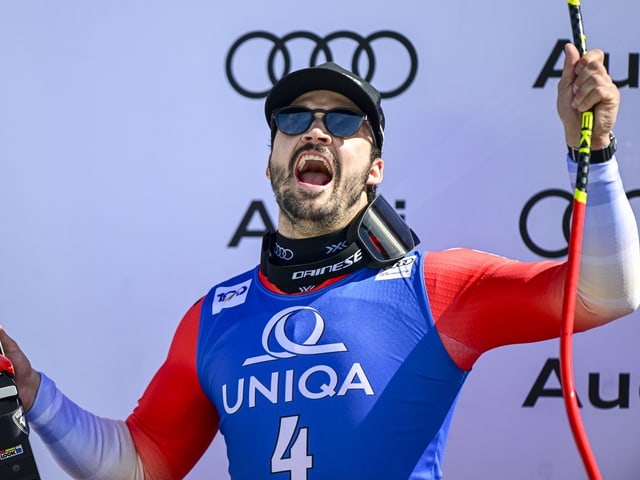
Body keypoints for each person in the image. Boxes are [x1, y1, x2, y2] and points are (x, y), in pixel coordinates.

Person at [1, 42, 638, 480]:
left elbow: (606, 292)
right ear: (272, 156)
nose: (315, 130)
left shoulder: (435, 287)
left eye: (343, 122)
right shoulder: (214, 316)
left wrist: (597, 146)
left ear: (375, 172)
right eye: (295, 118)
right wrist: (37, 396)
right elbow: (141, 464)